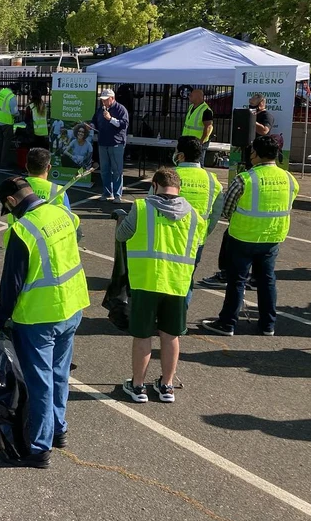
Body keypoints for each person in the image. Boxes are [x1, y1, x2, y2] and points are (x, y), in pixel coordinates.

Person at [0, 177, 88, 467]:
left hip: (39, 317)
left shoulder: (23, 230)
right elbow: (75, 239)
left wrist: (0, 318)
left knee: (40, 383)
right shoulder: (62, 213)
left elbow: (12, 283)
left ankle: (39, 448)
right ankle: (59, 430)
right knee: (59, 373)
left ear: (12, 201)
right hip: (71, 306)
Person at [116, 168, 200, 404]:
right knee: (171, 335)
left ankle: (138, 386)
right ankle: (167, 385)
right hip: (177, 282)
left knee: (143, 335)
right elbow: (198, 241)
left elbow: (122, 235)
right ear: (179, 189)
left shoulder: (142, 208)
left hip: (146, 281)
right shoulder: (193, 215)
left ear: (154, 185)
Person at [201, 135, 298, 337]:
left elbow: (227, 209)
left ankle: (227, 323)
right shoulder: (290, 179)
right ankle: (268, 325)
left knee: (237, 281)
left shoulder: (245, 178)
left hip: (242, 237)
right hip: (272, 237)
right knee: (267, 280)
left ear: (256, 154)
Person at [170, 136, 223, 307]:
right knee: (187, 277)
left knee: (166, 277)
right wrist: (205, 232)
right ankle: (180, 315)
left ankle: (164, 314)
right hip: (196, 238)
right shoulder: (212, 180)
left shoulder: (169, 176)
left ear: (181, 155)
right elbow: (215, 214)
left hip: (169, 236)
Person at [91, 88, 129, 202]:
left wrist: (110, 119)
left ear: (112, 98)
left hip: (116, 143)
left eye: (105, 99)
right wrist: (91, 126)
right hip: (103, 142)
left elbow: (124, 124)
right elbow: (95, 120)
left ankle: (117, 195)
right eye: (102, 100)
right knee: (105, 170)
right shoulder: (100, 109)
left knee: (117, 170)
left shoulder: (121, 109)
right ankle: (107, 193)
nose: (103, 102)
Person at [0, 83, 19, 170]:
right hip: (7, 121)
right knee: (6, 144)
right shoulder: (11, 96)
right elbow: (14, 112)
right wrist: (18, 114)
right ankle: (3, 164)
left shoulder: (0, 92)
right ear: (14, 90)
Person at [182, 89, 214, 164]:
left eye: (191, 95)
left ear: (197, 97)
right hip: (188, 140)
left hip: (198, 142)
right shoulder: (191, 107)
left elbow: (208, 127)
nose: (189, 97)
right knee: (188, 162)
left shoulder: (206, 110)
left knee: (198, 163)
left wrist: (201, 141)